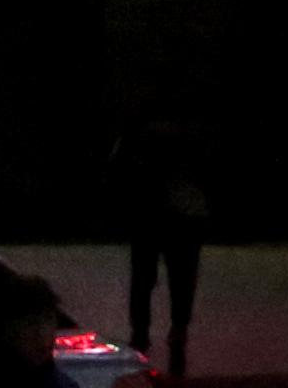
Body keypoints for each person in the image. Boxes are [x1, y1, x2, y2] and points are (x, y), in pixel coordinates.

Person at [119, 114, 207, 378]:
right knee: (181, 278)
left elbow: (121, 166)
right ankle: (175, 330)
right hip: (181, 214)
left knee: (145, 276)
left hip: (150, 212)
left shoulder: (141, 134)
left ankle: (142, 332)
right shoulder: (190, 136)